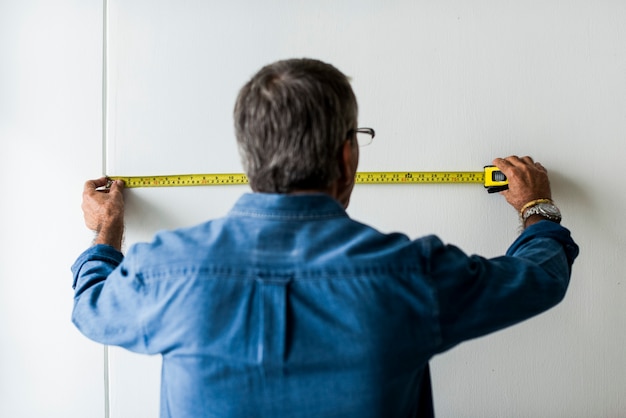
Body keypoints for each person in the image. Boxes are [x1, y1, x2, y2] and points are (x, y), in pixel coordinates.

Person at [72, 58, 579, 418]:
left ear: (249, 158)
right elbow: (538, 279)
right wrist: (536, 208)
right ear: (347, 158)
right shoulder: (410, 273)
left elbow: (91, 304)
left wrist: (107, 228)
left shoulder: (165, 271)